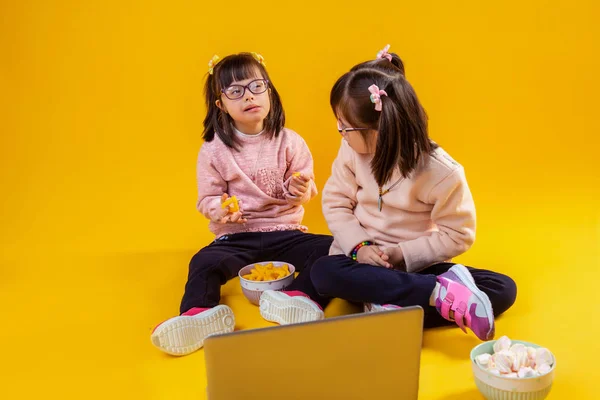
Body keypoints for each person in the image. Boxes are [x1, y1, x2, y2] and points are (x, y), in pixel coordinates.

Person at [258, 45, 516, 341]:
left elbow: (457, 234)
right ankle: (430, 296)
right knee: (324, 270)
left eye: (345, 127)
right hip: (357, 262)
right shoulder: (352, 152)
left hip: (411, 267)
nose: (340, 132)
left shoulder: (441, 173)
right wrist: (360, 247)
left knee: (503, 288)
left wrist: (400, 255)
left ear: (377, 132)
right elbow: (336, 201)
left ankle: (392, 305)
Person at [151, 52, 332, 356]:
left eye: (256, 86)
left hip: (287, 232)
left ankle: (300, 300)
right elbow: (207, 199)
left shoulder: (291, 142)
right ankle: (198, 315)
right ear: (221, 104)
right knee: (202, 262)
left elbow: (305, 189)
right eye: (236, 91)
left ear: (269, 91)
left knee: (333, 249)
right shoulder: (213, 150)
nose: (249, 96)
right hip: (237, 238)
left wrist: (300, 189)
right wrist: (220, 209)